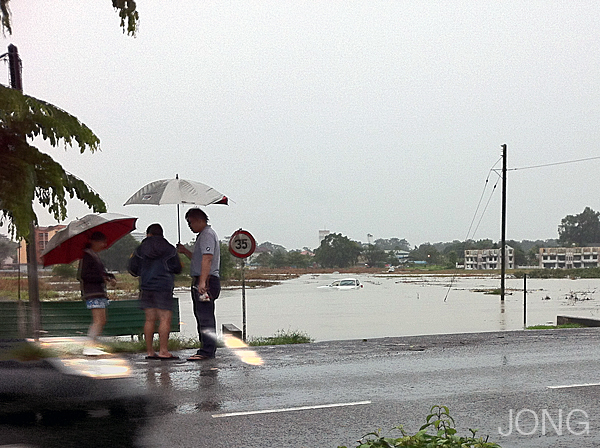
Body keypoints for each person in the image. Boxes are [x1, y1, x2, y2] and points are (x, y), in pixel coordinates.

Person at [128, 223, 182, 360]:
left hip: (146, 287)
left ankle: (150, 352)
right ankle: (163, 351)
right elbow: (177, 268)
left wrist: (143, 272)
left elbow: (132, 269)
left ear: (148, 234)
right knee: (164, 319)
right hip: (163, 287)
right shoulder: (169, 249)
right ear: (161, 234)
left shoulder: (140, 249)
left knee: (149, 319)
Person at [177, 208, 221, 361]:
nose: (189, 225)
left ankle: (208, 350)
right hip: (202, 279)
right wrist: (185, 251)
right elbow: (199, 258)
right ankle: (205, 347)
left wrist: (202, 281)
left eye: (190, 222)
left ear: (198, 219)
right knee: (201, 314)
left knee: (205, 316)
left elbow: (207, 258)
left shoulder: (207, 235)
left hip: (207, 281)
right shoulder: (202, 236)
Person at [77, 231, 115, 356]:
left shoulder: (94, 255)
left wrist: (109, 276)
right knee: (98, 320)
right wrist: (102, 279)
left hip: (98, 291)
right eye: (102, 242)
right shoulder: (87, 256)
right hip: (93, 292)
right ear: (94, 242)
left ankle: (91, 345)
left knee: (101, 320)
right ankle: (89, 346)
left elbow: (101, 272)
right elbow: (84, 275)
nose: (104, 245)